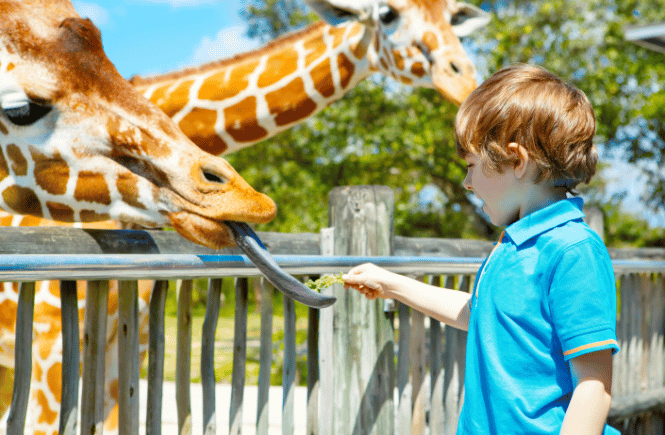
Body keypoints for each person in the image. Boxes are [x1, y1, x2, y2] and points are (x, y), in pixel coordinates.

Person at [343, 64, 620, 435]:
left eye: (473, 165)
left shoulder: (573, 250)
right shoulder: (511, 245)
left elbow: (594, 388)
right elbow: (481, 316)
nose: (467, 182)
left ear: (517, 161)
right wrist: (389, 283)